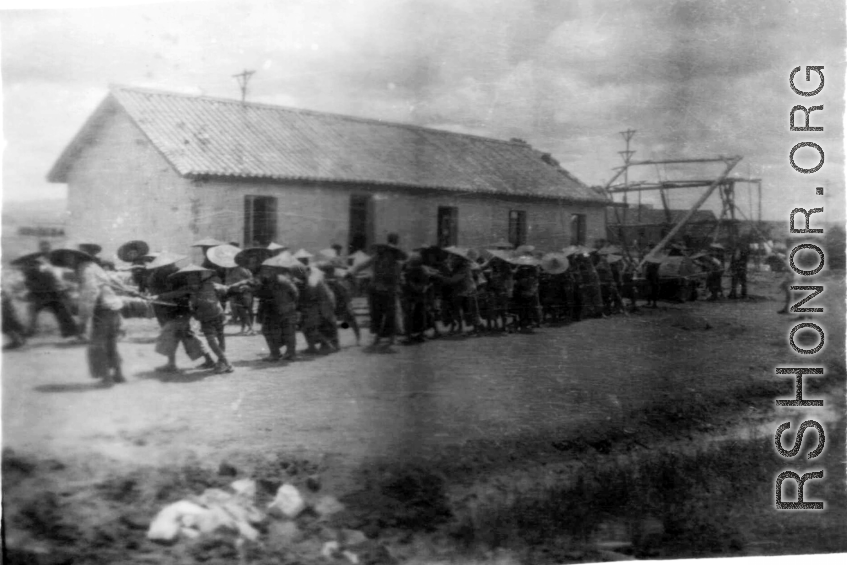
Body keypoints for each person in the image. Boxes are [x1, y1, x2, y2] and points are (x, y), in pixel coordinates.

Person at [52, 248, 127, 385]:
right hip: (113, 307)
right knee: (110, 343)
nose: (67, 262)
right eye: (65, 260)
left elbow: (89, 294)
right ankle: (118, 374)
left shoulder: (85, 270)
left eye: (69, 258)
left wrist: (83, 320)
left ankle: (106, 378)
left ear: (76, 257)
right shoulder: (93, 267)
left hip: (102, 309)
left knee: (97, 345)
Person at [145, 253, 216, 373]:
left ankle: (209, 360)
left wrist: (162, 296)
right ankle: (171, 364)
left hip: (179, 309)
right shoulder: (154, 276)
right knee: (170, 337)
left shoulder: (180, 274)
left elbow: (186, 290)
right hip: (163, 310)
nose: (171, 266)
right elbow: (153, 291)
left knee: (187, 335)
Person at [155, 265, 233, 374]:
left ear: (200, 277)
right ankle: (227, 363)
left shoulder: (211, 285)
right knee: (211, 341)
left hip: (218, 316)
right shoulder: (188, 289)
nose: (191, 280)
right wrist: (158, 297)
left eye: (194, 278)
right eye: (189, 278)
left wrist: (223, 298)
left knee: (220, 339)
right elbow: (172, 294)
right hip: (205, 319)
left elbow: (227, 290)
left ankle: (222, 362)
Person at [349, 233, 407, 347]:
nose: (387, 253)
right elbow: (362, 265)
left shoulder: (396, 259)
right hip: (377, 288)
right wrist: (351, 272)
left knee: (390, 314)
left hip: (389, 289)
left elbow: (403, 263)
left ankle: (391, 337)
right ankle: (378, 336)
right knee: (377, 314)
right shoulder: (378, 256)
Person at [13, 252, 81, 339]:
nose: (23, 269)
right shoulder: (35, 273)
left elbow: (40, 285)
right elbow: (38, 285)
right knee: (59, 313)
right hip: (49, 296)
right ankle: (70, 331)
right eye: (24, 267)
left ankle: (29, 332)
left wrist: (31, 292)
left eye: (25, 266)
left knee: (59, 313)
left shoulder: (35, 273)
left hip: (47, 296)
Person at [252, 255, 300, 361]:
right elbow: (295, 293)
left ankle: (275, 354)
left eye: (268, 269)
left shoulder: (270, 281)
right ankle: (290, 353)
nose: (265, 271)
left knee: (268, 330)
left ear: (274, 269)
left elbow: (262, 294)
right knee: (288, 331)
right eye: (264, 268)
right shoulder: (282, 279)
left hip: (275, 310)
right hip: (285, 309)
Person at [225, 263, 255, 335]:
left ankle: (250, 328)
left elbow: (250, 279)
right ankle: (243, 328)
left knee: (243, 311)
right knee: (239, 311)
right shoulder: (228, 270)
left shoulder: (241, 269)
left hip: (243, 292)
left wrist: (242, 284)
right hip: (234, 292)